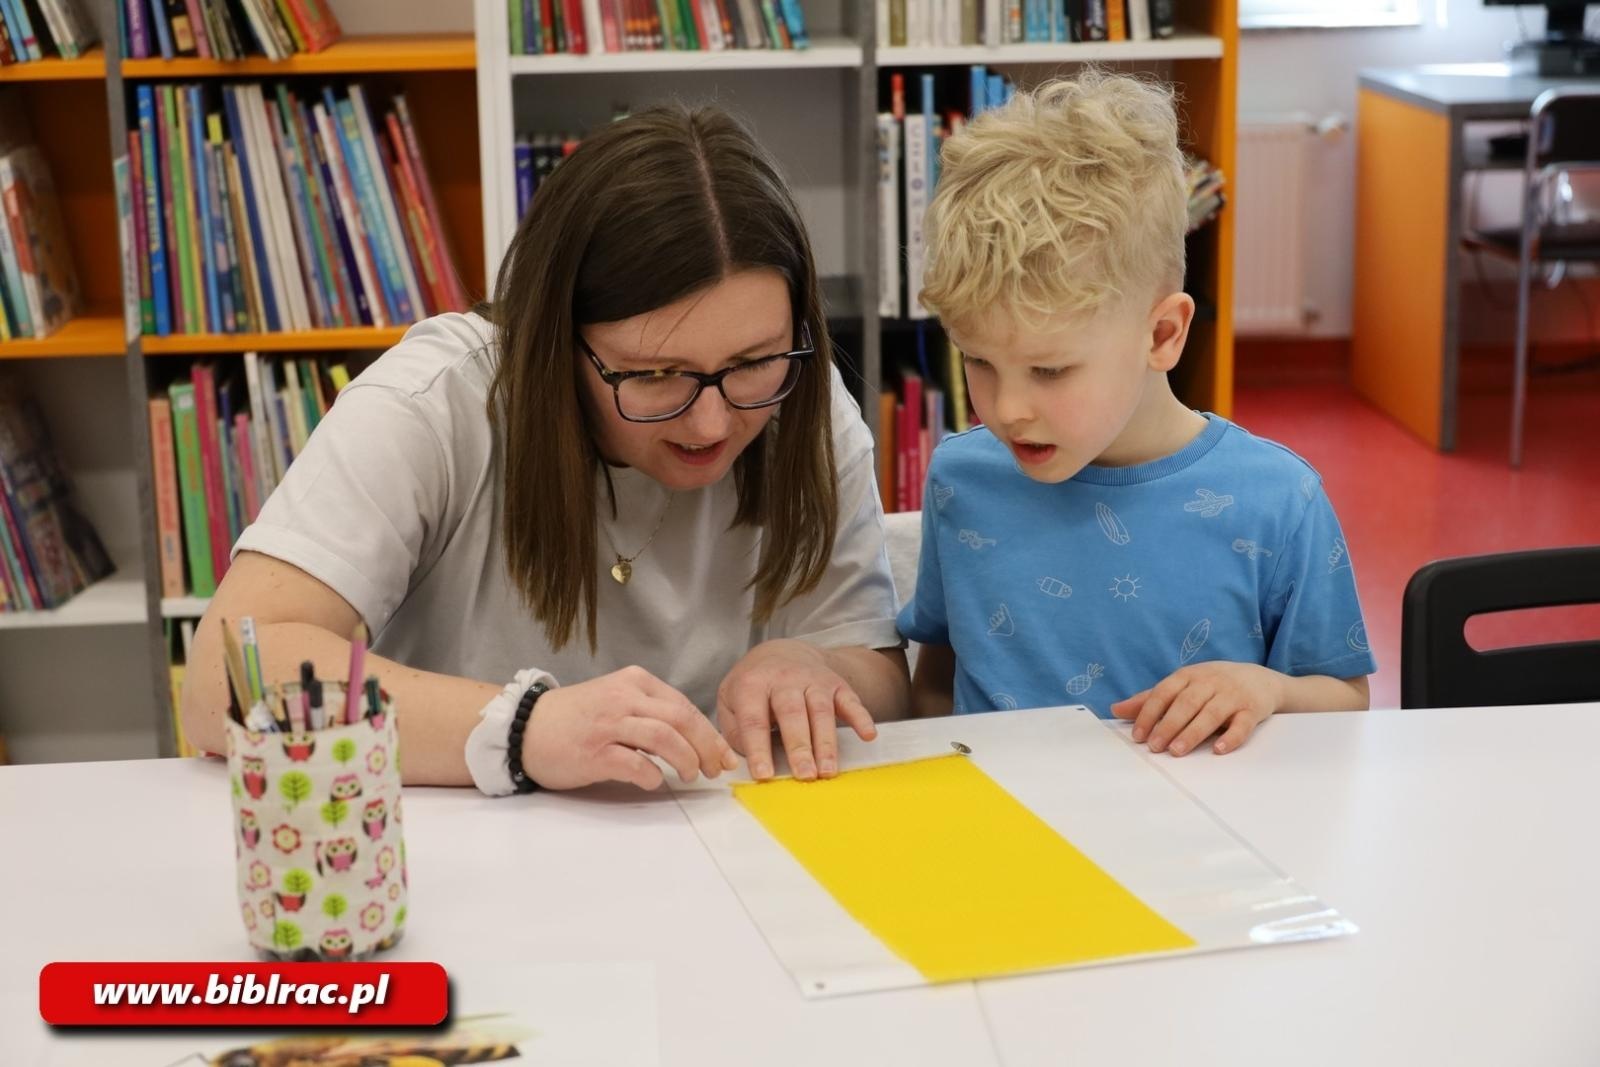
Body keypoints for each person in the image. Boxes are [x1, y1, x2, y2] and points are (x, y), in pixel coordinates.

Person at [182, 104, 909, 793]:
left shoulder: (805, 408)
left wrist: (811, 663)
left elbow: (880, 676)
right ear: (556, 340)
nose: (714, 422)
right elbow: (224, 677)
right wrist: (521, 725)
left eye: (754, 360)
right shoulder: (434, 403)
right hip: (459, 854)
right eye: (656, 375)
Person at [898, 71, 1373, 757]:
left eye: (1050, 369)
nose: (1006, 409)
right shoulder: (960, 479)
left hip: (1193, 846)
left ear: (1162, 335)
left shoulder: (1277, 501)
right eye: (977, 360)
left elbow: (1348, 703)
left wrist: (1265, 688)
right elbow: (939, 678)